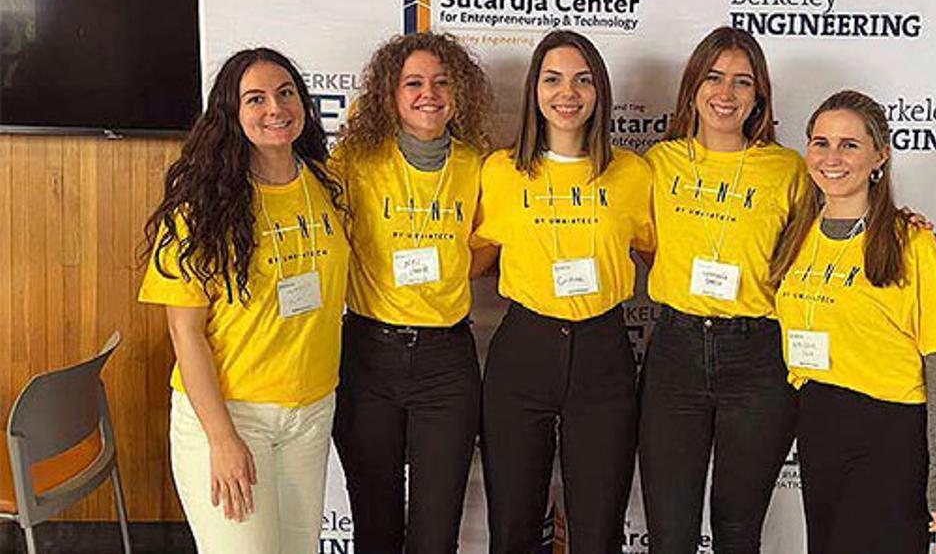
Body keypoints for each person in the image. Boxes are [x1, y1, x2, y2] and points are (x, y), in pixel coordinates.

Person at [139, 48, 350, 554]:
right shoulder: (199, 208)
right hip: (232, 415)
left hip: (311, 411)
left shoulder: (327, 184)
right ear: (231, 115)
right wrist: (222, 438)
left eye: (286, 93)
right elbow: (184, 332)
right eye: (255, 99)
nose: (275, 108)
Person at [473, 30, 654, 554]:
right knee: (512, 528)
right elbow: (469, 260)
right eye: (553, 79)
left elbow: (669, 259)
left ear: (600, 92)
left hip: (603, 355)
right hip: (522, 352)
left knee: (598, 531)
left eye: (582, 80)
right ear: (534, 89)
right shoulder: (500, 171)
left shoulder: (631, 174)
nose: (567, 93)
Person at [768, 90, 936, 554]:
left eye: (849, 145)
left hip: (887, 431)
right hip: (819, 425)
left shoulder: (911, 243)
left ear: (880, 155)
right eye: (820, 143)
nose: (832, 157)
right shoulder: (797, 234)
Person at [638, 26, 801, 553]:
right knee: (670, 533)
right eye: (713, 78)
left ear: (759, 98)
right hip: (675, 354)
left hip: (757, 358)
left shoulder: (788, 169)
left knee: (737, 530)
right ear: (693, 86)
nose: (725, 94)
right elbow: (639, 242)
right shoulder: (658, 164)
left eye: (741, 82)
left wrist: (901, 225)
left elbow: (828, 242)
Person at [330, 32, 493, 553]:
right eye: (414, 83)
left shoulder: (477, 165)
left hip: (446, 362)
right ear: (391, 94)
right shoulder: (355, 162)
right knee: (375, 518)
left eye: (442, 82)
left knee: (436, 525)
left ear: (459, 93)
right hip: (368, 356)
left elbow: (487, 246)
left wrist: (449, 269)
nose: (430, 93)